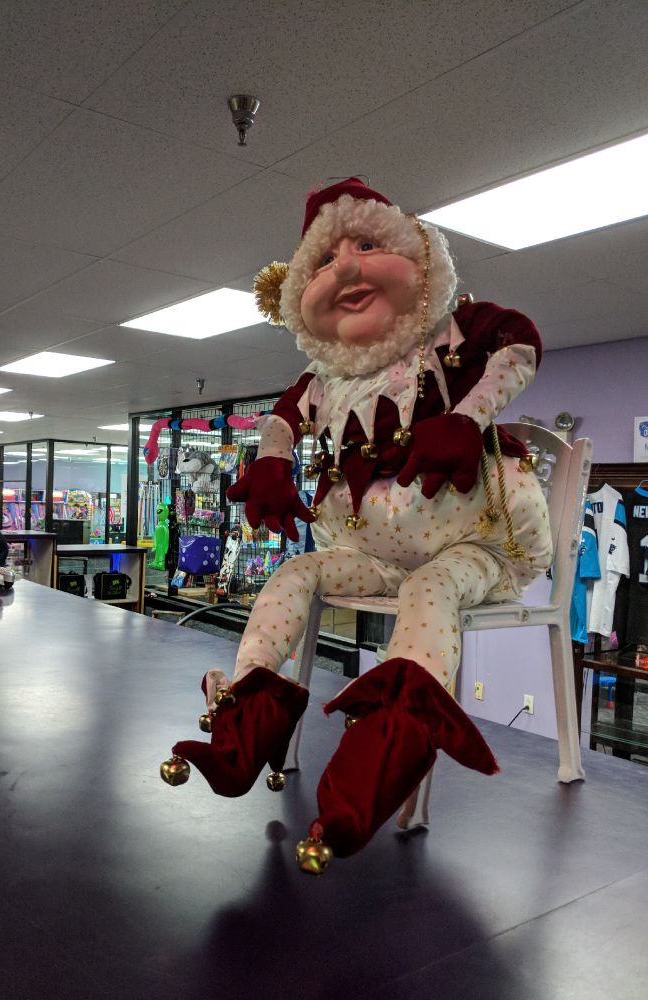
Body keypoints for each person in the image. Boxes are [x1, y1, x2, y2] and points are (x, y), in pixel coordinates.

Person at [161, 177, 552, 873]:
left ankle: (380, 757)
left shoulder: (457, 333)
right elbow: (282, 420)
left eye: (367, 245)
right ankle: (247, 717)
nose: (345, 267)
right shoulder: (327, 377)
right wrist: (275, 463)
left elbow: (519, 344)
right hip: (367, 554)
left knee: (429, 591)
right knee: (295, 571)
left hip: (475, 546)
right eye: (325, 259)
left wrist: (467, 418)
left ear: (414, 255)